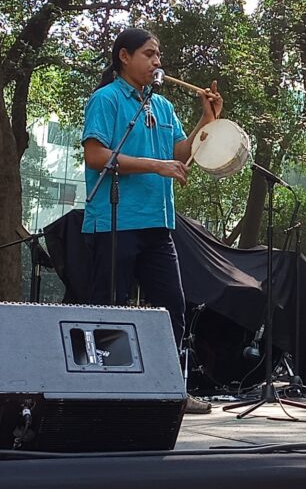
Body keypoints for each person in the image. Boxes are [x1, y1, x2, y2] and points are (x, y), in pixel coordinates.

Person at [82, 27, 222, 413]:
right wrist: (155, 166)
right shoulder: (106, 99)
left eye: (158, 55)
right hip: (113, 223)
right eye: (148, 54)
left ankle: (170, 389)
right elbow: (96, 156)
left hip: (157, 225)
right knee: (110, 307)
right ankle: (102, 391)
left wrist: (205, 122)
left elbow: (180, 151)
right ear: (124, 57)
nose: (157, 62)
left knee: (172, 307)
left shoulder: (162, 107)